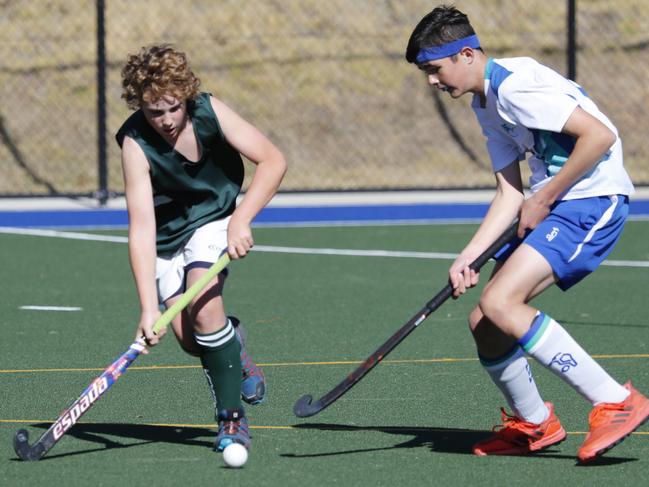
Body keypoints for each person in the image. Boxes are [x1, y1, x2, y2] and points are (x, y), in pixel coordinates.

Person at [406, 5, 649, 463]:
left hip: (592, 200)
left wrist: (545, 196)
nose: (432, 82)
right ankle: (534, 423)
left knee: (501, 303)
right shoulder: (486, 103)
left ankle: (615, 400)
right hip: (557, 201)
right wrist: (469, 257)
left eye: (435, 69)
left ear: (467, 54)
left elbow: (599, 136)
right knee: (486, 321)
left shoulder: (517, 86)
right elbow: (508, 193)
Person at [116, 44, 287, 455]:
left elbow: (273, 160)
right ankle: (237, 348)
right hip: (164, 241)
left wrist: (242, 219)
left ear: (185, 95)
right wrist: (147, 308)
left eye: (173, 108)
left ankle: (231, 420)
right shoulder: (135, 142)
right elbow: (141, 228)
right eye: (154, 112)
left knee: (206, 310)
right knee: (192, 340)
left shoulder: (210, 112)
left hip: (213, 219)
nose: (166, 120)